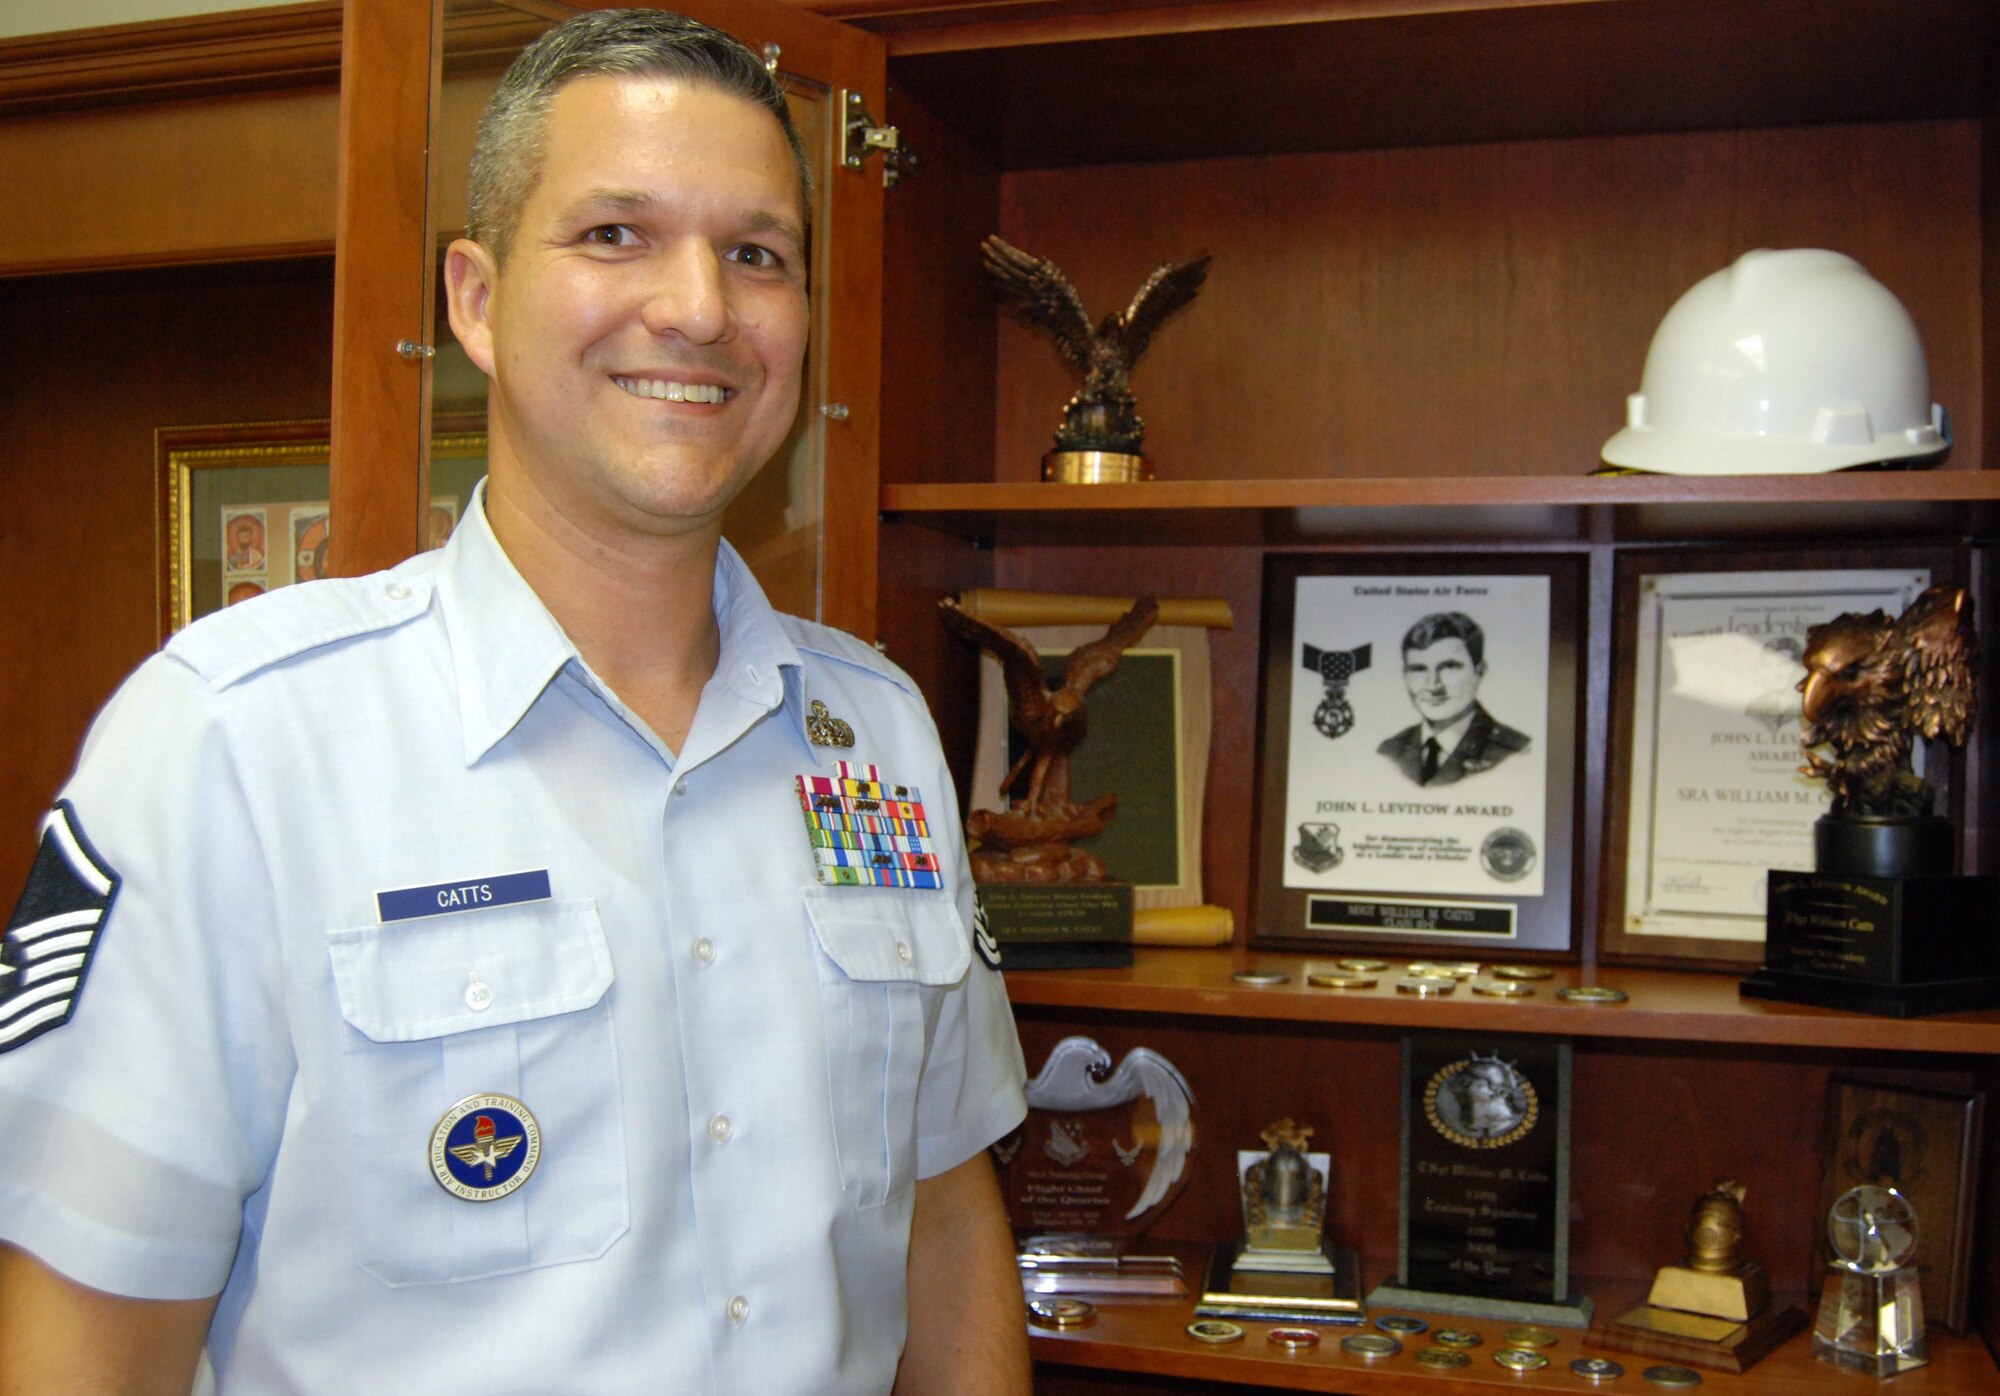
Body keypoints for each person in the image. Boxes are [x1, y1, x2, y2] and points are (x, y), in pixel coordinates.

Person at [0, 12, 1029, 1395]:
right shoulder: (233, 742)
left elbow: (945, 1219)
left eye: (757, 253)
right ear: (473, 301)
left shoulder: (882, 736)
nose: (700, 308)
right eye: (615, 235)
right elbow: (88, 1337)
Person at [1377, 611, 1530, 786]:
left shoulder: (1516, 752)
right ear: (1405, 675)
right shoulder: (1390, 751)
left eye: (1449, 667)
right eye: (1419, 669)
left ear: (1479, 672)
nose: (1433, 686)